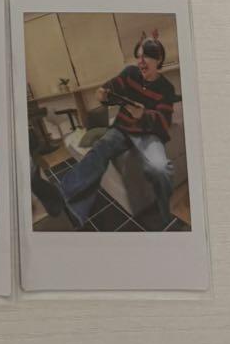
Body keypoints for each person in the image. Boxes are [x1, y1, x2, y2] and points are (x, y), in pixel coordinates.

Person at [57, 34, 177, 229]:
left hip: (149, 133)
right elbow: (109, 89)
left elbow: (164, 122)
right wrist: (102, 94)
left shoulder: (166, 88)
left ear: (159, 59)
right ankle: (65, 197)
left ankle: (164, 214)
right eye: (138, 56)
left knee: (160, 168)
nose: (141, 61)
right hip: (122, 129)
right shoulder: (130, 73)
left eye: (146, 56)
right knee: (99, 148)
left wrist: (143, 115)